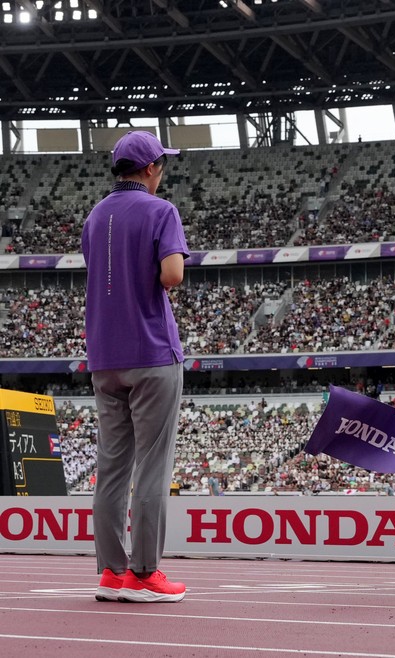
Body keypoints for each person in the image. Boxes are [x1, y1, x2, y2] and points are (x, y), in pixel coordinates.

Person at [83, 131, 188, 603]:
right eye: (161, 166)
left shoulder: (94, 215)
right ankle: (145, 574)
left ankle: (112, 572)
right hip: (150, 353)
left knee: (111, 467)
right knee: (151, 466)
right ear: (149, 169)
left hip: (104, 357)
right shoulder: (160, 210)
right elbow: (172, 275)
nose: (161, 174)